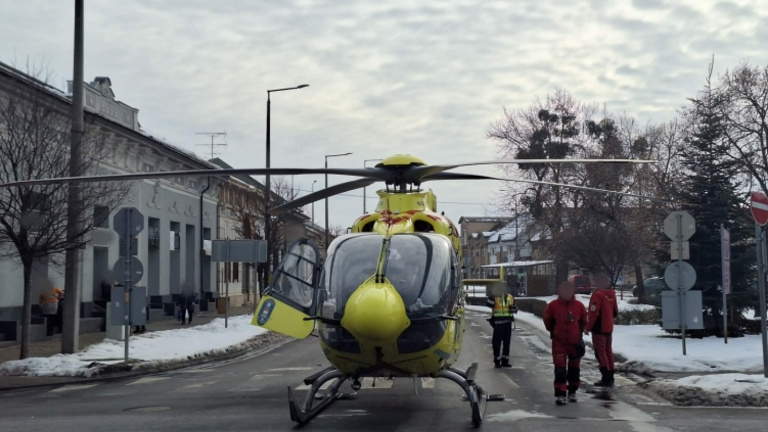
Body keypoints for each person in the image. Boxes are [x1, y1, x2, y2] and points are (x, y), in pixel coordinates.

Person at [544, 280, 587, 405]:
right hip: (559, 342)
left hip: (575, 342)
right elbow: (548, 321)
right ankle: (560, 393)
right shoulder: (553, 305)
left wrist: (579, 333)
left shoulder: (579, 306)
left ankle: (572, 391)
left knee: (574, 369)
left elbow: (583, 321)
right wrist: (554, 331)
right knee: (560, 369)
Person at [585, 273, 619, 387]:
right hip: (608, 327)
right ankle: (611, 374)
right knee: (608, 351)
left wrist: (587, 327)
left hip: (599, 327)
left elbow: (594, 313)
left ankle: (606, 377)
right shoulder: (612, 294)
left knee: (600, 352)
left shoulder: (598, 295)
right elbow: (615, 312)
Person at [486, 285, 517, 368]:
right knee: (497, 343)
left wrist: (514, 309)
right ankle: (497, 361)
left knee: (506, 342)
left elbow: (514, 308)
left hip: (507, 323)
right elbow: (488, 304)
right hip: (498, 324)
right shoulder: (494, 297)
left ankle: (505, 361)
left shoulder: (510, 297)